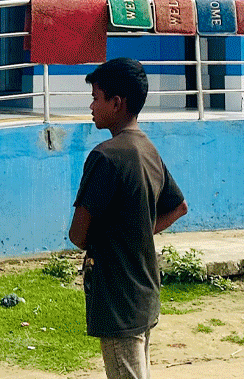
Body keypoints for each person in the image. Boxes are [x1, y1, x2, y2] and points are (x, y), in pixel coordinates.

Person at [68, 57, 188, 379]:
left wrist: (115, 238)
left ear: (116, 103)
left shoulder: (105, 157)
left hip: (118, 297)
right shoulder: (148, 149)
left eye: (96, 97)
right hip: (144, 290)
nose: (91, 106)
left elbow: (78, 235)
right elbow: (178, 207)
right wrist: (137, 231)